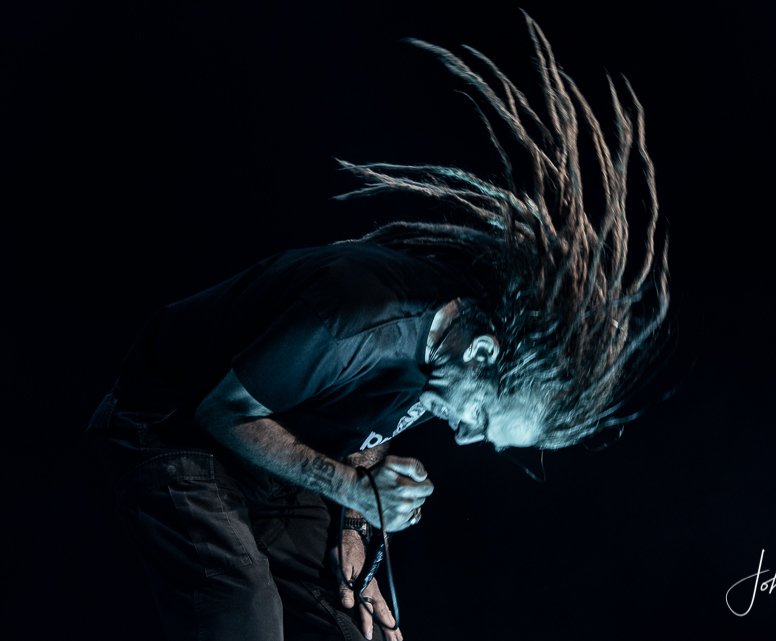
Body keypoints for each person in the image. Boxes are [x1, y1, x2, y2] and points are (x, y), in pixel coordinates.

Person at [84, 12, 670, 641]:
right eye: (481, 419)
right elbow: (223, 413)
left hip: (271, 450)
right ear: (482, 352)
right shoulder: (355, 317)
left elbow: (370, 421)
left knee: (353, 629)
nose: (465, 438)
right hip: (171, 428)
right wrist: (356, 491)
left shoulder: (449, 348)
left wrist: (357, 525)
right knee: (245, 616)